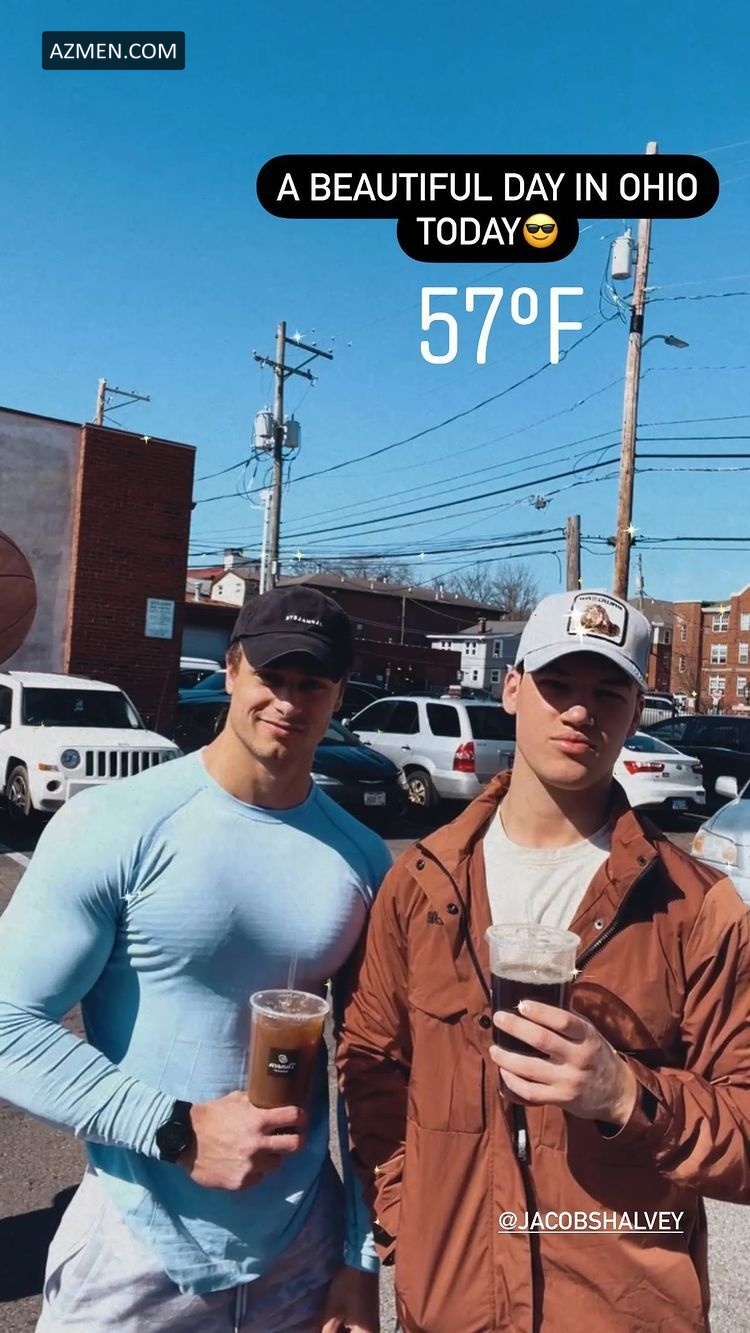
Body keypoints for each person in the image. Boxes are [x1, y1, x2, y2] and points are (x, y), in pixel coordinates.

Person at [338, 590, 750, 1333]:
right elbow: (371, 1065)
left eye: (608, 692)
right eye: (558, 684)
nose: (580, 711)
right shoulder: (424, 882)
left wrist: (627, 1095)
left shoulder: (695, 906)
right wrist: (405, 1218)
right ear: (513, 687)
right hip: (448, 1313)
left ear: (637, 709)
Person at [0, 586, 390, 1332]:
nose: (289, 700)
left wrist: (359, 1256)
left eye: (313, 683)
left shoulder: (362, 857)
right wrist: (173, 1129)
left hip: (301, 1253)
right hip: (137, 1242)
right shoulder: (117, 822)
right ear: (233, 669)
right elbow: (6, 1021)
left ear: (340, 693)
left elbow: (373, 1067)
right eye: (272, 675)